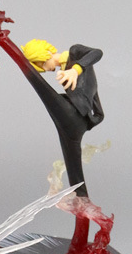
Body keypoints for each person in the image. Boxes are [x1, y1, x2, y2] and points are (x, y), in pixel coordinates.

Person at [19, 40, 104, 200]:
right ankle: (82, 199)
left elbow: (97, 53)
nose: (45, 69)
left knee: (41, 86)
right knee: (72, 162)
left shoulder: (75, 53)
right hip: (74, 121)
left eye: (41, 64)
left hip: (75, 115)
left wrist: (76, 70)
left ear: (44, 55)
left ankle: (17, 58)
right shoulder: (64, 70)